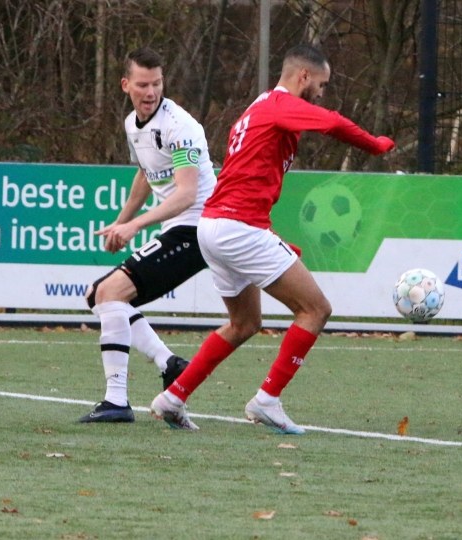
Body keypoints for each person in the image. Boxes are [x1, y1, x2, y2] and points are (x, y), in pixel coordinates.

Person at [149, 43, 395, 433]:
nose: (321, 93)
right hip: (236, 228)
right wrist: (376, 144)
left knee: (244, 323)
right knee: (316, 310)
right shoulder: (281, 104)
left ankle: (173, 397)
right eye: (322, 85)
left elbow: (247, 180)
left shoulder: (256, 109)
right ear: (303, 77)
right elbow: (331, 123)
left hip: (215, 226)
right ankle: (267, 399)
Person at [79, 47, 217, 424]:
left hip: (198, 230)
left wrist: (136, 225)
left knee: (110, 293)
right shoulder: (132, 125)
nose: (151, 91)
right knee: (97, 294)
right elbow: (144, 174)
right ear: (127, 85)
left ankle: (116, 401)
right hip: (178, 228)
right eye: (142, 84)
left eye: (156, 83)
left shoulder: (181, 126)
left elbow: (187, 194)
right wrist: (121, 222)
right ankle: (170, 364)